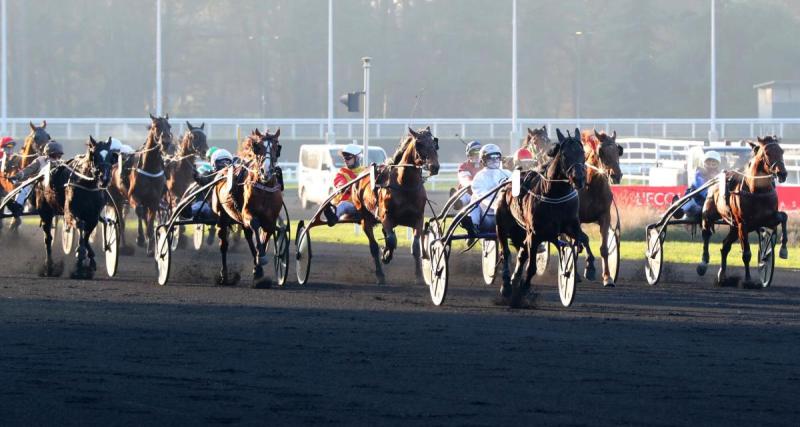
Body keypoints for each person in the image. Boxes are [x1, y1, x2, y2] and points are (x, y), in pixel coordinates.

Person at [461, 144, 511, 236]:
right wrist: (498, 206)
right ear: (483, 160)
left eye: (497, 157)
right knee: (475, 198)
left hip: (507, 217)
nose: (494, 160)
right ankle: (474, 225)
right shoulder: (479, 177)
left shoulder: (508, 174)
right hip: (486, 218)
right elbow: (483, 197)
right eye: (490, 157)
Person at [7, 141, 64, 214]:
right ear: (49, 153)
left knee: (25, 188)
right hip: (37, 186)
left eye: (59, 155)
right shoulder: (40, 160)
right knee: (25, 187)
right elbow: (28, 170)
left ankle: (18, 204)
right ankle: (17, 206)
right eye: (55, 155)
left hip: (53, 188)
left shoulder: (61, 163)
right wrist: (17, 176)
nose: (57, 157)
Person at [323, 144, 364, 226]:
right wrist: (342, 186)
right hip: (351, 205)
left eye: (348, 157)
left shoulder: (366, 171)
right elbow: (339, 182)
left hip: (366, 204)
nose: (345, 160)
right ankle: (333, 217)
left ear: (357, 158)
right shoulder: (342, 173)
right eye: (344, 158)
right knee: (343, 205)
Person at [675, 150, 721, 220]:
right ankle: (682, 210)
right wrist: (711, 195)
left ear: (717, 165)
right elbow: (701, 188)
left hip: (713, 199)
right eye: (708, 163)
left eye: (713, 164)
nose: (711, 165)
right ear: (704, 163)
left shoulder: (720, 175)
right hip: (697, 198)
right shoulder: (699, 173)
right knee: (691, 207)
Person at [453, 140, 482, 209]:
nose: (477, 155)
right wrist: (472, 184)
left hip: (484, 192)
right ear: (468, 155)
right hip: (468, 191)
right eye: (474, 153)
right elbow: (465, 180)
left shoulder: (487, 165)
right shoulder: (463, 166)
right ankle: (458, 202)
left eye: (479, 153)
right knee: (468, 195)